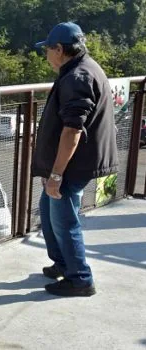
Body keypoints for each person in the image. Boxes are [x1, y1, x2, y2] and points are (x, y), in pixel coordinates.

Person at [32, 22, 119, 297]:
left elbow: (72, 130)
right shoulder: (82, 68)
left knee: (64, 221)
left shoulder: (77, 77)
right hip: (73, 162)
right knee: (47, 209)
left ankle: (80, 278)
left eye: (47, 50)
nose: (45, 56)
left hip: (73, 165)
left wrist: (56, 174)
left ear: (59, 49)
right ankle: (62, 262)